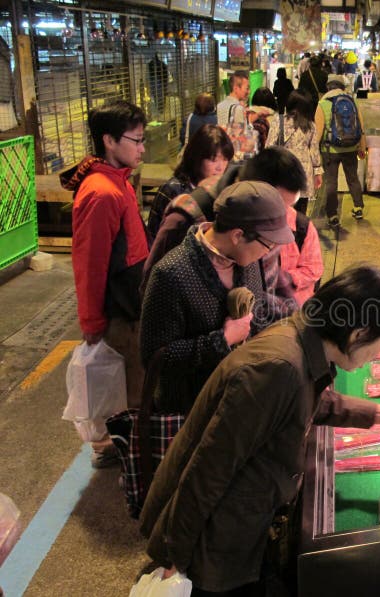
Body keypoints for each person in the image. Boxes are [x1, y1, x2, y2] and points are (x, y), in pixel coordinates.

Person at [139, 266, 380, 595]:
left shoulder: (303, 344)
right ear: (358, 333)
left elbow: (306, 402)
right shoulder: (277, 367)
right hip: (217, 540)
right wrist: (173, 558)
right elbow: (209, 468)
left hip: (246, 520)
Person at [140, 180, 295, 416]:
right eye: (268, 243)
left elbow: (258, 314)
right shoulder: (171, 274)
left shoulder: (249, 260)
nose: (269, 250)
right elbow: (155, 359)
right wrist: (222, 340)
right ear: (237, 235)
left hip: (238, 403)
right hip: (191, 416)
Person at [60, 100, 149, 467]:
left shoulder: (119, 181)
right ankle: (122, 457)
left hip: (130, 301)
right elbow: (89, 263)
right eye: (137, 140)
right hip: (119, 309)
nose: (143, 148)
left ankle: (122, 450)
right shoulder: (101, 193)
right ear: (109, 140)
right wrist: (92, 323)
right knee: (128, 390)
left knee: (131, 385)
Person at [244, 147, 323, 306]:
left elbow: (313, 268)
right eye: (278, 205)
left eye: (289, 205)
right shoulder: (239, 227)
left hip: (290, 313)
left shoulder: (302, 226)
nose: (284, 215)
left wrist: (287, 279)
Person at [146, 124, 233, 237]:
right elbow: (154, 236)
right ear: (197, 158)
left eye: (225, 159)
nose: (220, 167)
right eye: (213, 160)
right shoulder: (173, 189)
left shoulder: (223, 188)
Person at [315, 74, 367, 229]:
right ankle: (358, 208)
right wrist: (362, 146)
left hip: (330, 149)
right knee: (353, 178)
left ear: (328, 87)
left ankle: (332, 216)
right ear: (342, 86)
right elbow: (361, 127)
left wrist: (314, 153)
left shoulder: (323, 103)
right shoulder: (352, 101)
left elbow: (318, 132)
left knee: (331, 182)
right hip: (351, 147)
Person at [266, 90, 322, 216]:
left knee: (283, 210)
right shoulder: (310, 125)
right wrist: (317, 173)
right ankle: (300, 234)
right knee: (301, 213)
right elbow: (314, 151)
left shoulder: (278, 121)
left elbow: (269, 147)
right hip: (304, 174)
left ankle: (286, 234)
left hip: (284, 172)